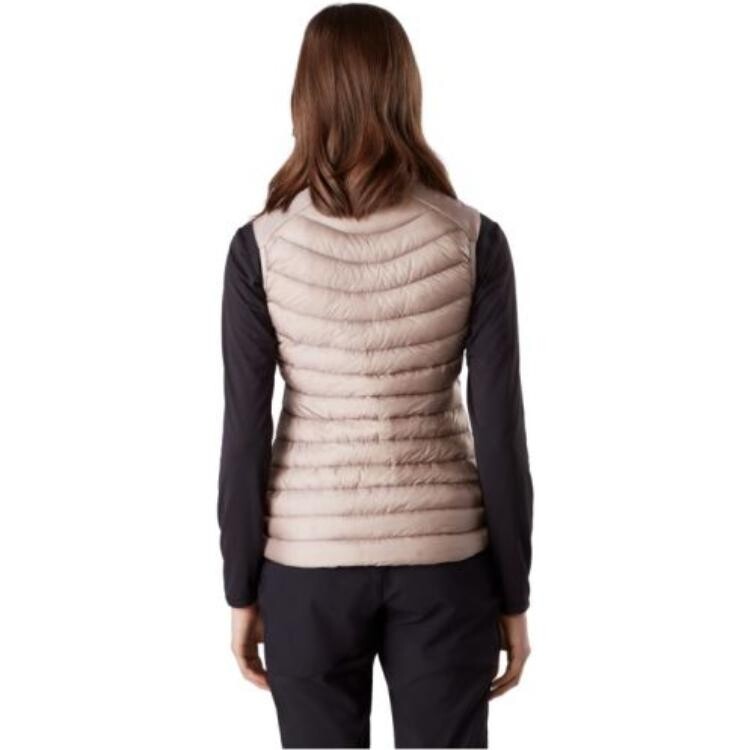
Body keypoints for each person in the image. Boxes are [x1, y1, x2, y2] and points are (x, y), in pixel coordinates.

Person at [217, 4, 534, 747]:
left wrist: (241, 588)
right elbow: (501, 432)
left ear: (306, 97)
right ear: (405, 90)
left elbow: (244, 433)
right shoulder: (472, 239)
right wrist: (514, 592)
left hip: (306, 566)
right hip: (445, 565)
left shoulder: (260, 247)